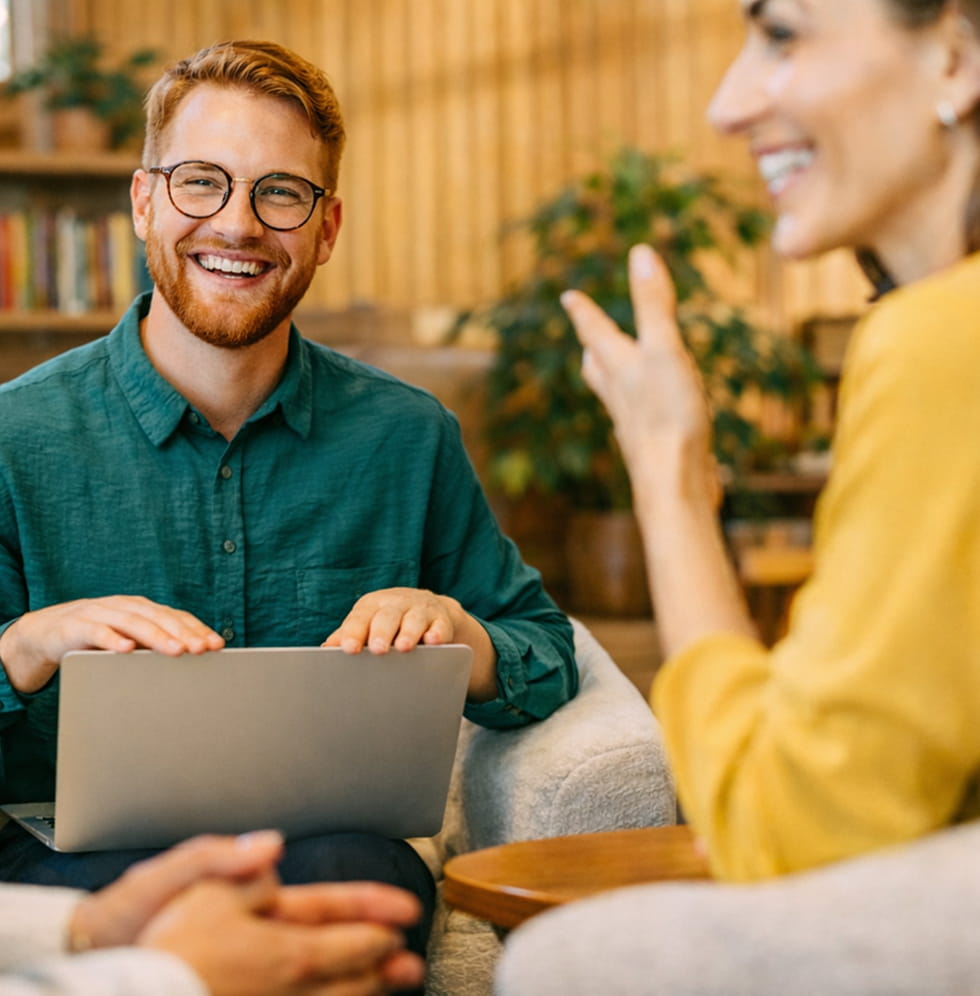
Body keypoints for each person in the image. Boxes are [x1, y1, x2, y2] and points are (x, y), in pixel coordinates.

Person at [0, 37, 577, 967]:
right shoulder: (13, 438)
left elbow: (546, 651)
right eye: (201, 181)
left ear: (326, 228)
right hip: (73, 861)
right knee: (153, 949)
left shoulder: (407, 436)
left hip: (328, 851)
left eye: (280, 192)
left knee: (369, 899)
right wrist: (24, 647)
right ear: (144, 201)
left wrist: (459, 633)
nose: (237, 224)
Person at [494, 0, 980, 990]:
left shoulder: (940, 342)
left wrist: (667, 473)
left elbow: (786, 833)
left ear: (955, 58)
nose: (724, 103)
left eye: (783, 34)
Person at [0, 830, 426, 995]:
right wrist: (176, 979)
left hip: (323, 831)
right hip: (70, 843)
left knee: (351, 868)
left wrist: (87, 926)